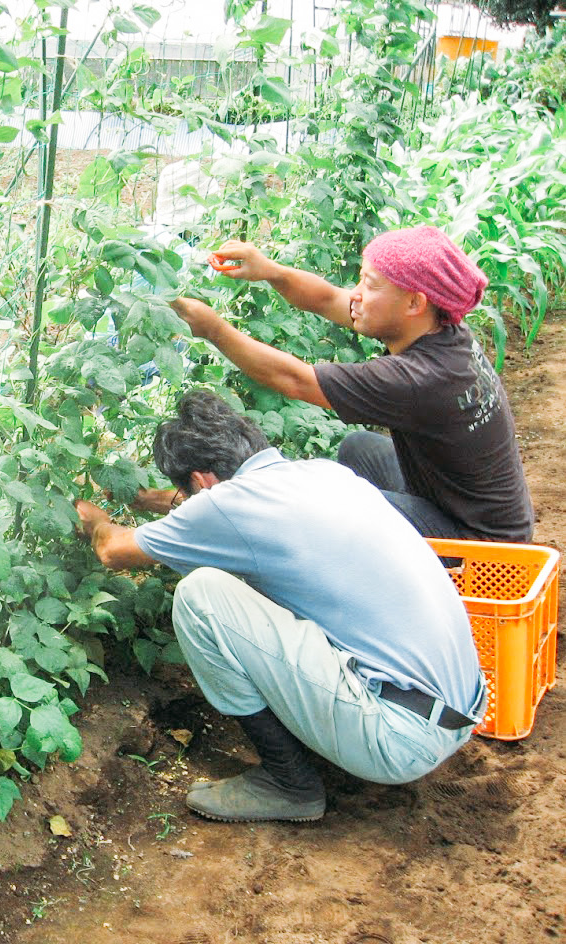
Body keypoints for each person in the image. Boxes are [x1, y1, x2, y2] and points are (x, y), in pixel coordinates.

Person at [74, 390, 484, 823]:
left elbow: (113, 551)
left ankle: (288, 782)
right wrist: (143, 498)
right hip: (463, 707)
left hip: (398, 741)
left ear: (203, 481)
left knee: (203, 595)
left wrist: (92, 518)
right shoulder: (327, 474)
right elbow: (214, 508)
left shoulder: (225, 505)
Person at [169, 226, 533, 542]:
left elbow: (293, 380)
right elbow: (328, 299)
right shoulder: (441, 327)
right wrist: (271, 271)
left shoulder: (421, 380)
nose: (356, 294)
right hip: (471, 510)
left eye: (369, 285)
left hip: (481, 546)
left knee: (338, 507)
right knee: (359, 449)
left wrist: (213, 329)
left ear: (414, 302)